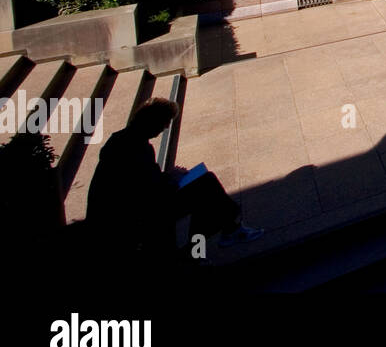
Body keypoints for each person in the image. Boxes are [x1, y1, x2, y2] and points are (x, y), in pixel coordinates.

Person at [87, 99, 262, 266]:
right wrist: (172, 179)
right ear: (153, 122)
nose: (166, 127)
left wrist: (168, 177)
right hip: (131, 218)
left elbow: (140, 181)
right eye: (164, 123)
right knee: (205, 190)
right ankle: (222, 232)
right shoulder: (138, 148)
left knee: (206, 186)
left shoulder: (122, 139)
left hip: (127, 211)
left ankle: (226, 230)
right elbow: (148, 191)